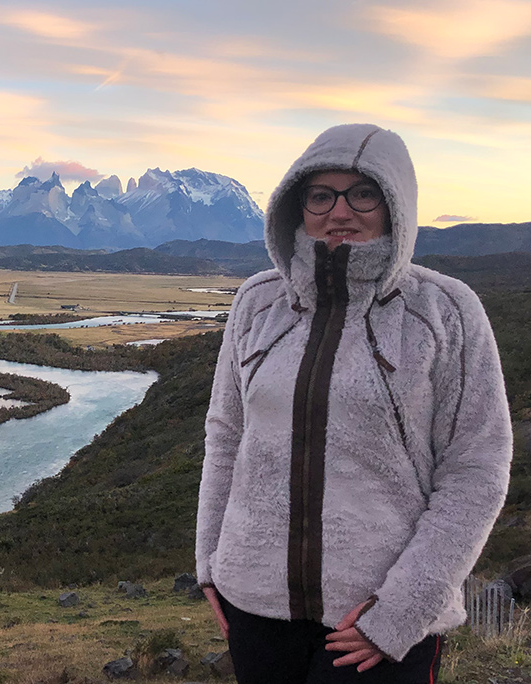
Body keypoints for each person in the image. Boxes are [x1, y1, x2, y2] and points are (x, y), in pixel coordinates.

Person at [194, 123, 512, 683]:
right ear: (296, 207)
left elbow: (475, 472)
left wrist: (401, 611)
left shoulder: (446, 311)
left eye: (363, 193)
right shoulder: (257, 301)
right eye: (321, 195)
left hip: (376, 615)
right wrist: (213, 566)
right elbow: (226, 435)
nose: (340, 211)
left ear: (395, 205)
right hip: (255, 605)